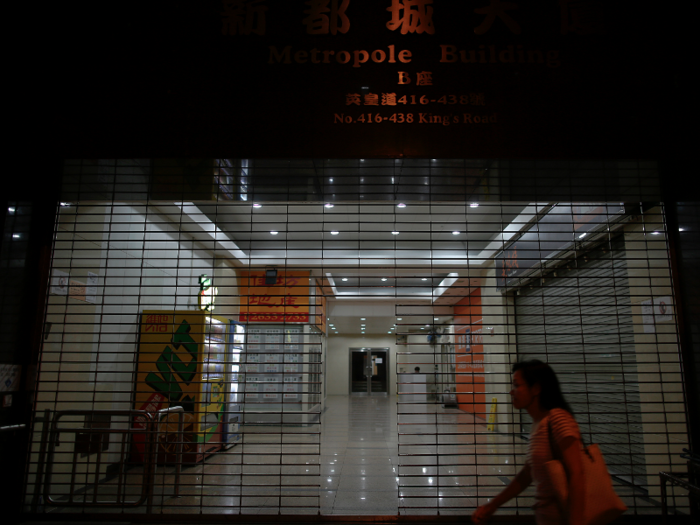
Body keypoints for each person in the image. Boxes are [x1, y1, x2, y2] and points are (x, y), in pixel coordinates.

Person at [472, 360, 585, 525]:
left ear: (536, 388)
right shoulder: (538, 424)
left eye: (517, 385)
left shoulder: (557, 419)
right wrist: (493, 506)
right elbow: (526, 474)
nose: (512, 392)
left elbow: (577, 473)